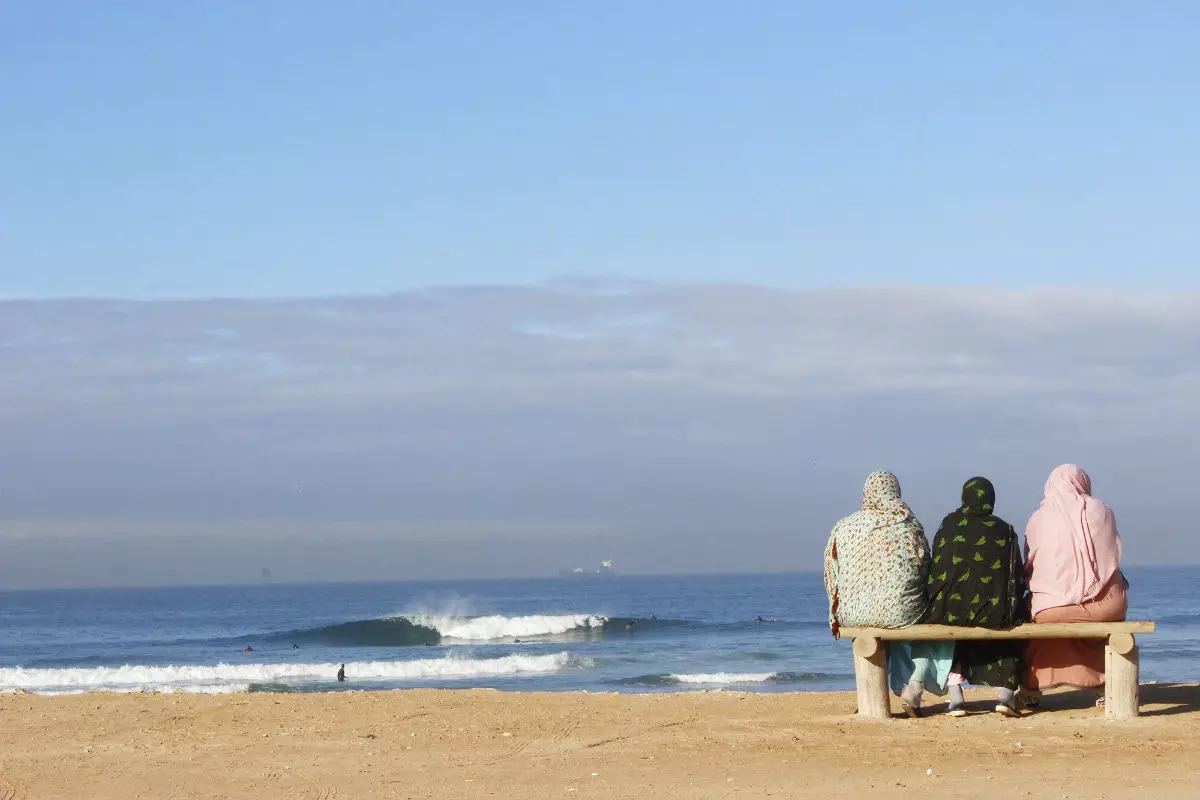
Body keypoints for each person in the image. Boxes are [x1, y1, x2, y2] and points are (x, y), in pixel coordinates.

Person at [824, 471, 937, 713]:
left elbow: (832, 572)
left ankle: (898, 688)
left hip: (853, 613)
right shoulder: (908, 521)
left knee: (884, 619)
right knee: (908, 619)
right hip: (901, 612)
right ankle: (910, 683)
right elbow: (925, 566)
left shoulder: (844, 526)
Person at [922, 477, 1027, 717]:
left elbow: (937, 570)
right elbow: (1017, 576)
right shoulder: (1005, 530)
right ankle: (1005, 694)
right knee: (1013, 622)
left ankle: (956, 695)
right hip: (995, 612)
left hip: (948, 610)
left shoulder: (948, 525)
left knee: (956, 623)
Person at [1023, 465, 1127, 705]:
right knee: (1102, 620)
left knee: (1037, 616)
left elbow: (1029, 562)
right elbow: (1114, 554)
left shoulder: (1039, 518)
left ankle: (1031, 689)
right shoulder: (1103, 511)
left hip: (1052, 609)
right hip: (1106, 606)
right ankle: (1102, 685)